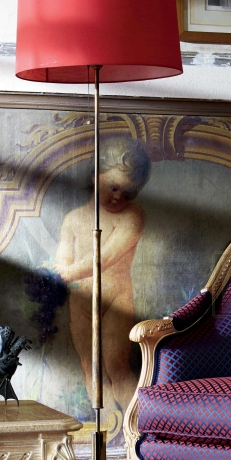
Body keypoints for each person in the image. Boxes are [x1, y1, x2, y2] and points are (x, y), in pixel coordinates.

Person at [54, 138, 149, 428]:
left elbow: (105, 257)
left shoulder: (133, 216)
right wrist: (59, 269)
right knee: (89, 365)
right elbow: (63, 256)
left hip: (116, 301)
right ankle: (108, 427)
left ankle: (137, 428)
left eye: (127, 192)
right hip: (81, 302)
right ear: (96, 177)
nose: (119, 197)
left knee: (116, 365)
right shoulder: (73, 218)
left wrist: (66, 274)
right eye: (114, 187)